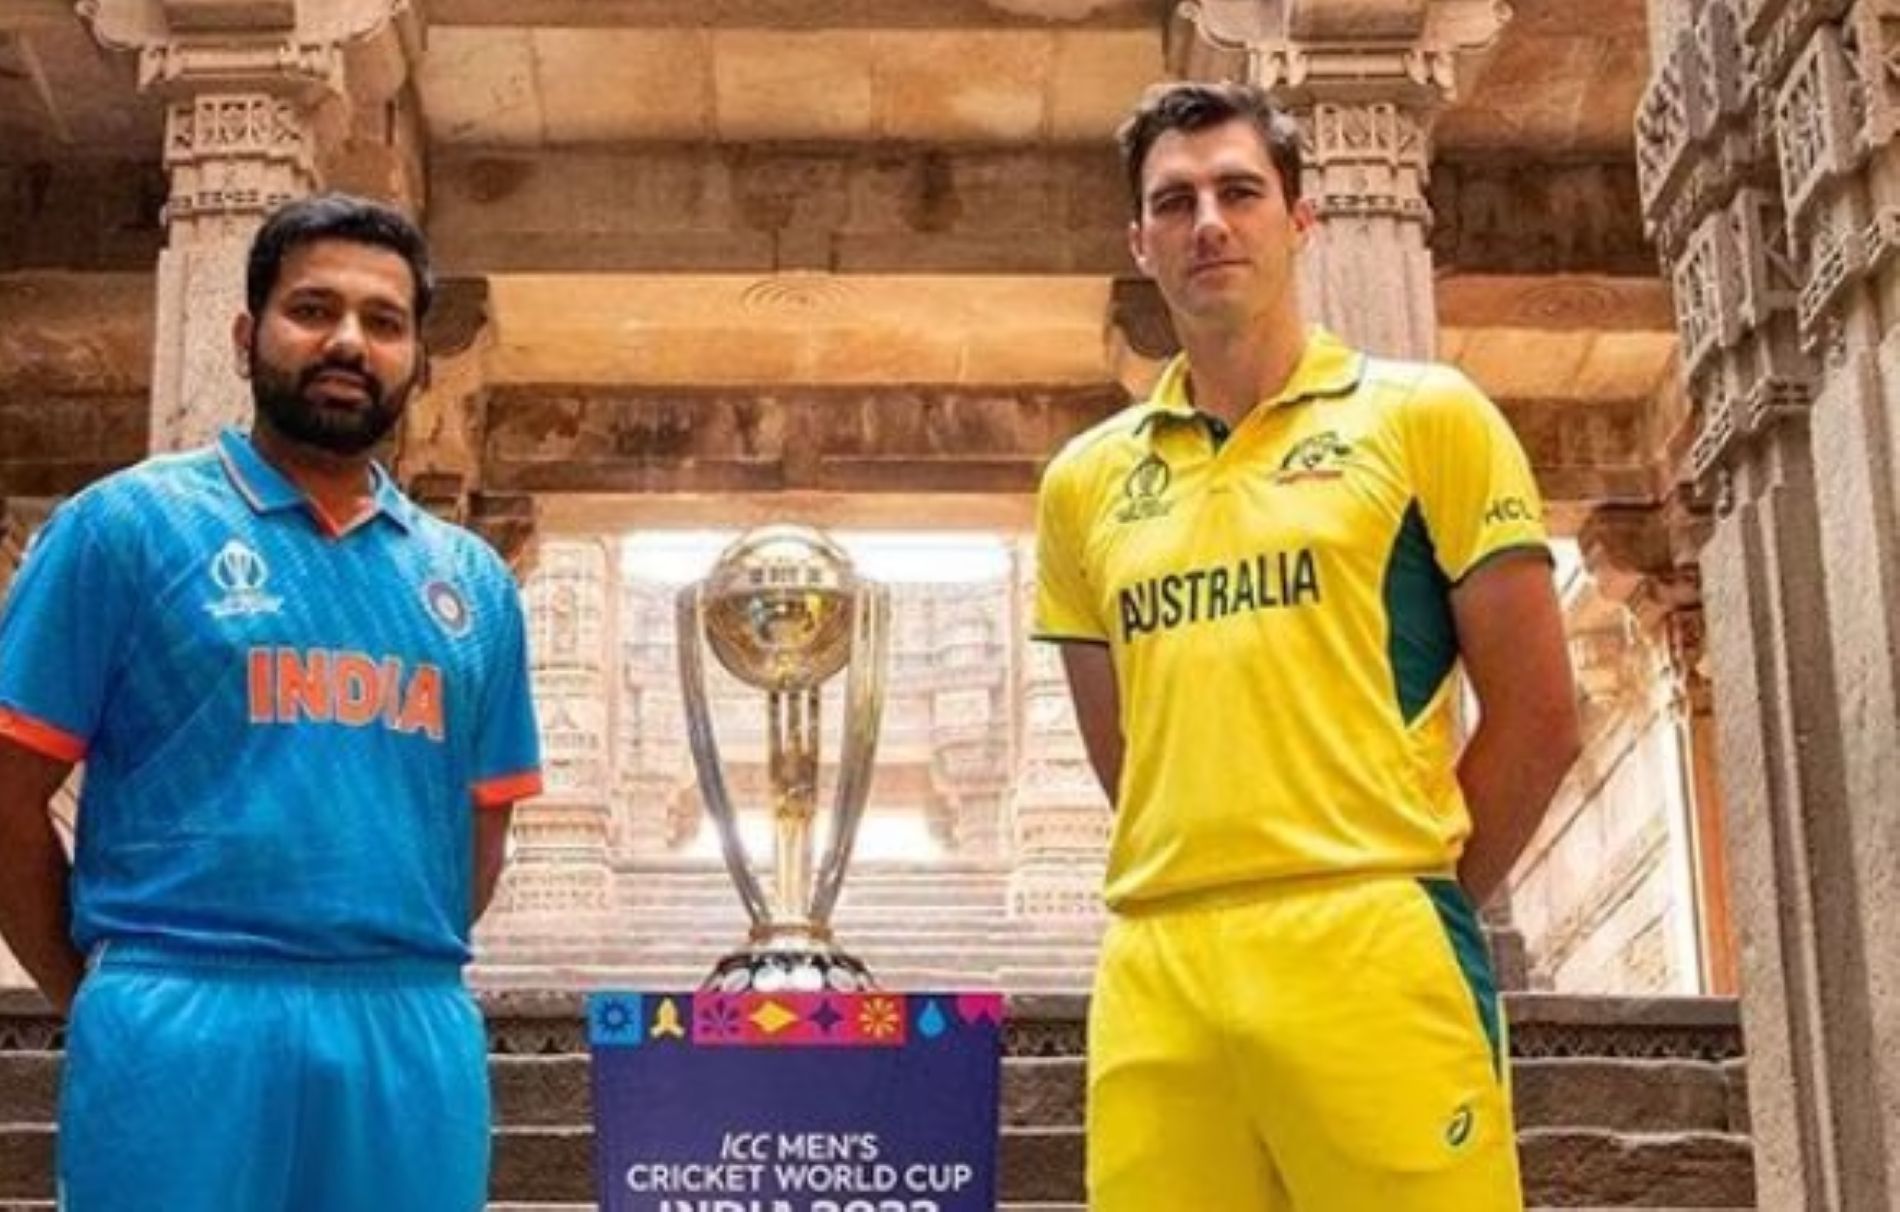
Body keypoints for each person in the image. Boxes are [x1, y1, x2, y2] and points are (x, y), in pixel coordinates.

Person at [1033, 82, 1582, 1211]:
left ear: (1300, 217)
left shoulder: (1425, 416)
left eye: (1239, 191)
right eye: (1174, 202)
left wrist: (1408, 892)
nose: (1209, 223)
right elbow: (1127, 752)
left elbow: (1538, 716)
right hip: (1159, 963)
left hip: (1372, 946)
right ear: (1140, 241)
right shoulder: (1081, 483)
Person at [0, 193, 542, 1212]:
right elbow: (5, 795)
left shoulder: (472, 583)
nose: (348, 341)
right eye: (313, 309)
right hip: (178, 1008)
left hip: (406, 1019)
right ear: (249, 335)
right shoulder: (124, 527)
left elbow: (480, 832)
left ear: (416, 358)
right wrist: (106, 991)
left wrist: (371, 949)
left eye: (383, 322)